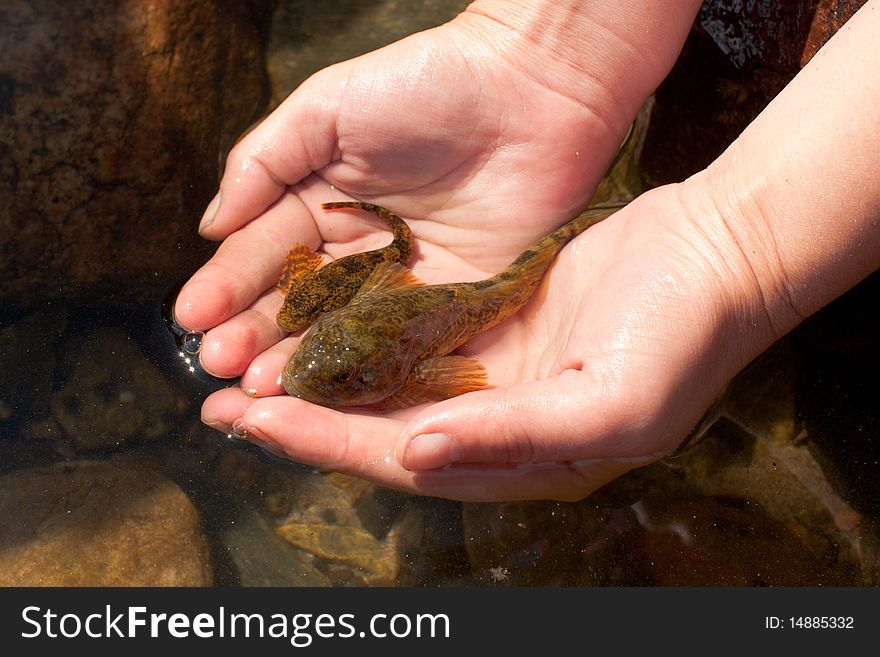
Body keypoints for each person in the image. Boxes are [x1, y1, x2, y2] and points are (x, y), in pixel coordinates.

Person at [174, 0, 880, 501]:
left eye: (349, 377)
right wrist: (549, 49)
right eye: (320, 355)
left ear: (401, 368)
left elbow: (461, 377)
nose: (307, 366)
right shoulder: (378, 307)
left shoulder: (417, 353)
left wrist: (729, 253)